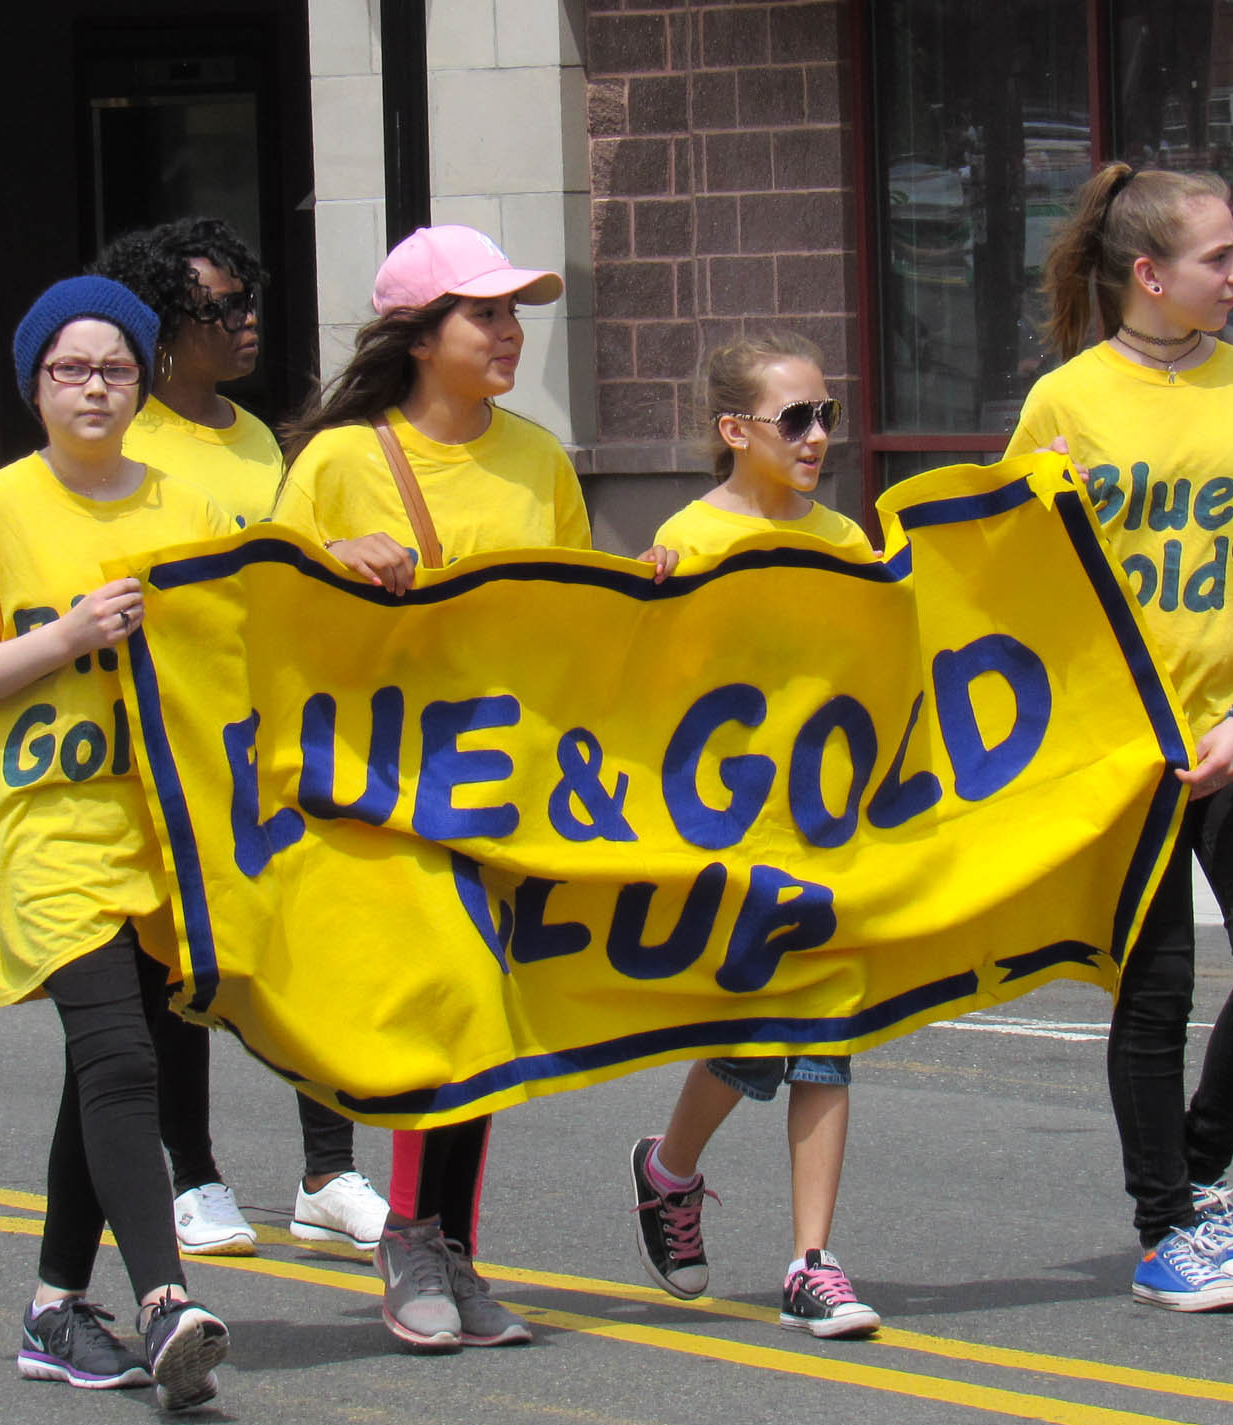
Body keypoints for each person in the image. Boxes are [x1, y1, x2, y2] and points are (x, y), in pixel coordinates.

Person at [275, 223, 669, 1350]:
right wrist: (329, 564)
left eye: (512, 314)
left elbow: (569, 625)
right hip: (384, 789)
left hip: (508, 785)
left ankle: (448, 1246)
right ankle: (412, 1238)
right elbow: (265, 623)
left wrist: (639, 592)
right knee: (441, 1002)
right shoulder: (340, 463)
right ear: (418, 336)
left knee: (486, 1019)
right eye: (483, 314)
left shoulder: (538, 459)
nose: (508, 334)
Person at [0, 275, 232, 1409]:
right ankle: (165, 1300)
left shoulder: (190, 509)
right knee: (123, 1061)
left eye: (115, 369)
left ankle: (52, 1309)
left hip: (163, 833)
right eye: (69, 370)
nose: (94, 388)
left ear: (143, 384)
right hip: (47, 827)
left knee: (111, 1065)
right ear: (34, 384)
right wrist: (68, 636)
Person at [1008, 164, 1233, 1313]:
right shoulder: (1062, 403)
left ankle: (1196, 1169)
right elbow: (1007, 580)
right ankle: (1163, 1233)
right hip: (1121, 753)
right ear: (1147, 275)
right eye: (1218, 257)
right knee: (1152, 994)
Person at [96, 217, 390, 1257]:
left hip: (270, 732)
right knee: (180, 962)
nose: (247, 320)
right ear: (162, 326)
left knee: (302, 947)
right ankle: (192, 1175)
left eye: (248, 298)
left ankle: (326, 1172)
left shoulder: (258, 435)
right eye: (221, 307)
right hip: (174, 735)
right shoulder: (128, 441)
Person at [626, 333, 880, 1340]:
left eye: (827, 416)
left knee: (822, 1038)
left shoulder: (846, 540)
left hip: (827, 829)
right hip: (728, 838)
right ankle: (667, 1170)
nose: (818, 436)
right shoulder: (687, 538)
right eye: (796, 419)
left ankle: (811, 1261)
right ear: (735, 430)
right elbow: (644, 688)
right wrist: (639, 605)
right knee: (749, 1044)